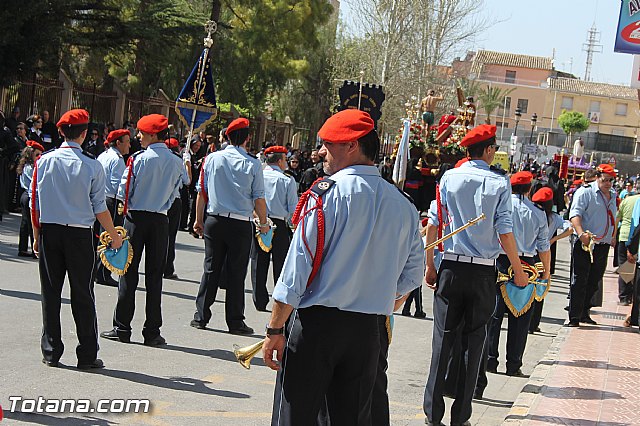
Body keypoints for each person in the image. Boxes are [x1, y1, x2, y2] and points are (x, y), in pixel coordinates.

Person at [262, 109, 424, 425]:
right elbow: (413, 273)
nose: (321, 151)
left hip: (316, 326)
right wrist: (386, 297)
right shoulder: (403, 205)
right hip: (367, 331)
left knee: (295, 417)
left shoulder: (324, 196)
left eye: (328, 144)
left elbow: (296, 272)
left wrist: (275, 328)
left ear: (351, 145)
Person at [423, 124, 528, 426]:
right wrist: (518, 271)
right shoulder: (499, 182)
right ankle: (461, 416)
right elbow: (504, 231)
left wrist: (430, 265)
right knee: (474, 344)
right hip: (483, 272)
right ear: (490, 150)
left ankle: (433, 414)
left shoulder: (448, 177)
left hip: (451, 268)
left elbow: (434, 224)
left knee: (441, 342)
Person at [30, 108, 123, 369]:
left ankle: (51, 350)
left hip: (50, 231)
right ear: (83, 134)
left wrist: (37, 236)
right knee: (83, 293)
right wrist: (114, 235)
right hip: (80, 235)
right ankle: (87, 353)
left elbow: (34, 204)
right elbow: (100, 208)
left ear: (60, 131)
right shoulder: (92, 165)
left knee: (50, 292)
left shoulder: (43, 161)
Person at [100, 114, 185, 346]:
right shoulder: (176, 161)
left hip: (136, 218)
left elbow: (124, 191)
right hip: (160, 220)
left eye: (142, 133)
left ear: (152, 135)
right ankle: (152, 331)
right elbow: (179, 187)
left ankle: (123, 327)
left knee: (128, 273)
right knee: (155, 276)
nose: (138, 137)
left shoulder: (138, 159)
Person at [190, 117, 268, 335]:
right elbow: (259, 199)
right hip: (240, 223)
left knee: (211, 268)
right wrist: (264, 224)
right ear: (248, 138)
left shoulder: (212, 158)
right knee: (236, 273)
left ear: (226, 136)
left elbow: (201, 192)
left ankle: (201, 315)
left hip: (214, 220)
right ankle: (235, 321)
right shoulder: (253, 163)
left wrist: (198, 219)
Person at [481, 172, 550, 386]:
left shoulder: (501, 206)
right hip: (527, 265)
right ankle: (514, 364)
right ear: (529, 189)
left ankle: (490, 361)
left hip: (501, 261)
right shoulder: (538, 213)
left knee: (494, 316)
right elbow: (543, 246)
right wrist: (547, 271)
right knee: (520, 318)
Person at [249, 145, 298, 312]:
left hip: (260, 221)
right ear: (279, 160)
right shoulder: (287, 179)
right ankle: (280, 300)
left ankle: (259, 300)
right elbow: (293, 208)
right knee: (281, 265)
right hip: (280, 224)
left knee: (258, 263)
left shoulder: (258, 175)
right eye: (285, 160)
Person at [567, 164, 617, 327]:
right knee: (580, 279)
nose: (608, 183)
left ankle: (585, 312)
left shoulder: (612, 195)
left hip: (602, 244)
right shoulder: (585, 192)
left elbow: (612, 218)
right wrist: (581, 234)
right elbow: (574, 215)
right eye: (605, 180)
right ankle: (574, 316)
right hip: (585, 243)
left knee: (594, 279)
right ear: (597, 177)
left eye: (611, 180)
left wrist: (613, 236)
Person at [528, 186, 573, 334]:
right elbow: (570, 228)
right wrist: (554, 239)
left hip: (528, 254)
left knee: (526, 289)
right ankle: (534, 324)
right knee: (540, 287)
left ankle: (525, 322)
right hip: (544, 255)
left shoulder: (530, 212)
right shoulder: (554, 217)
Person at [94, 129, 131, 286]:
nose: (129, 145)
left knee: (99, 236)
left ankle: (97, 270)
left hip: (100, 198)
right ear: (118, 143)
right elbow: (118, 185)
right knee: (110, 236)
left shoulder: (103, 155)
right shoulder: (117, 159)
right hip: (112, 200)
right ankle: (103, 272)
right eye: (127, 141)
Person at [164, 137, 190, 279]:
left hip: (160, 201)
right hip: (174, 201)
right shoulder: (177, 160)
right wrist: (187, 164)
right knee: (170, 236)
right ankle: (167, 268)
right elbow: (187, 180)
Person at [16, 140, 43, 257]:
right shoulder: (29, 167)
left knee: (26, 222)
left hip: (26, 195)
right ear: (30, 154)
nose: (39, 157)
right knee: (32, 221)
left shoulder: (27, 165)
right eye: (37, 154)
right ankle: (34, 248)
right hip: (28, 195)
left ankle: (23, 248)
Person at [615, 180, 640, 305]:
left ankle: (624, 297)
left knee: (625, 267)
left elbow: (617, 217)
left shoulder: (628, 200)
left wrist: (613, 236)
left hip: (625, 235)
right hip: (635, 238)